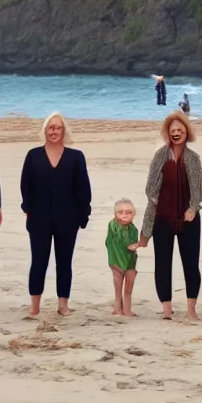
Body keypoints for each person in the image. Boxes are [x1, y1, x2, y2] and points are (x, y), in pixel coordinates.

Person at [19, 112, 91, 318]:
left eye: (58, 128)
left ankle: (63, 305)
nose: (54, 131)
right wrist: (28, 210)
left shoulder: (76, 157)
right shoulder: (33, 155)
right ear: (45, 131)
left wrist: (82, 215)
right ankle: (34, 306)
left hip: (68, 220)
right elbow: (26, 186)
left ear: (64, 131)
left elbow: (83, 189)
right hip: (39, 219)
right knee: (39, 261)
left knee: (64, 262)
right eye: (50, 128)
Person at [139, 112, 202, 320]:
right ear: (168, 133)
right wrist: (156, 199)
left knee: (191, 265)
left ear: (187, 132)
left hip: (188, 220)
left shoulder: (193, 159)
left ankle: (191, 309)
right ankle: (166, 310)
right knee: (163, 264)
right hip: (163, 219)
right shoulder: (160, 155)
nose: (177, 133)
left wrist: (192, 208)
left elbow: (198, 191)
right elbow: (150, 188)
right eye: (173, 130)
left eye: (180, 130)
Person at [105, 199, 141, 317]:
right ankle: (117, 308)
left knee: (128, 289)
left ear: (134, 214)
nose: (124, 215)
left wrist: (136, 245)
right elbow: (111, 241)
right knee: (118, 286)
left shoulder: (134, 229)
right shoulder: (113, 225)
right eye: (120, 212)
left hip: (130, 263)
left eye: (128, 212)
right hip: (116, 262)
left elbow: (133, 244)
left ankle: (127, 309)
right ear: (115, 214)